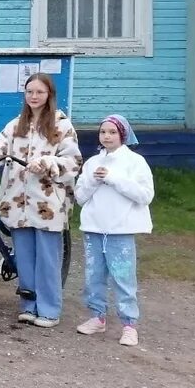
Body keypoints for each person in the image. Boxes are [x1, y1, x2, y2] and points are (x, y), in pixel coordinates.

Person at [0, 73, 81, 328]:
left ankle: (49, 309)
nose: (34, 97)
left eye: (39, 92)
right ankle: (28, 305)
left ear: (49, 95)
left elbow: (73, 162)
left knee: (47, 258)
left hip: (48, 204)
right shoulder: (15, 125)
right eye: (29, 92)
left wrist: (48, 162)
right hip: (17, 201)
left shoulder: (61, 126)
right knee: (24, 257)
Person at [73, 114, 153, 347]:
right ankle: (97, 316)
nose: (107, 136)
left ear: (122, 135)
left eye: (112, 132)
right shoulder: (91, 163)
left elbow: (145, 195)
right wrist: (95, 181)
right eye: (103, 132)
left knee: (123, 277)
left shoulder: (135, 162)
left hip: (120, 230)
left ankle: (129, 324)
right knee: (94, 276)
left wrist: (114, 178)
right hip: (94, 228)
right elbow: (80, 197)